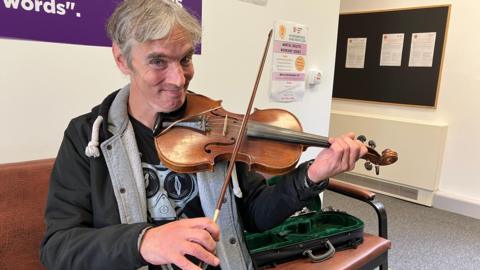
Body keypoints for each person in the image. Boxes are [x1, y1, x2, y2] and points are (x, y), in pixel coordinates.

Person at [40, 0, 367, 269]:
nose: (178, 79)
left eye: (184, 59)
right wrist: (143, 241)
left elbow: (255, 214)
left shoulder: (216, 124)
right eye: (158, 62)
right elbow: (57, 248)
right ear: (122, 59)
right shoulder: (87, 137)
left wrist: (311, 175)